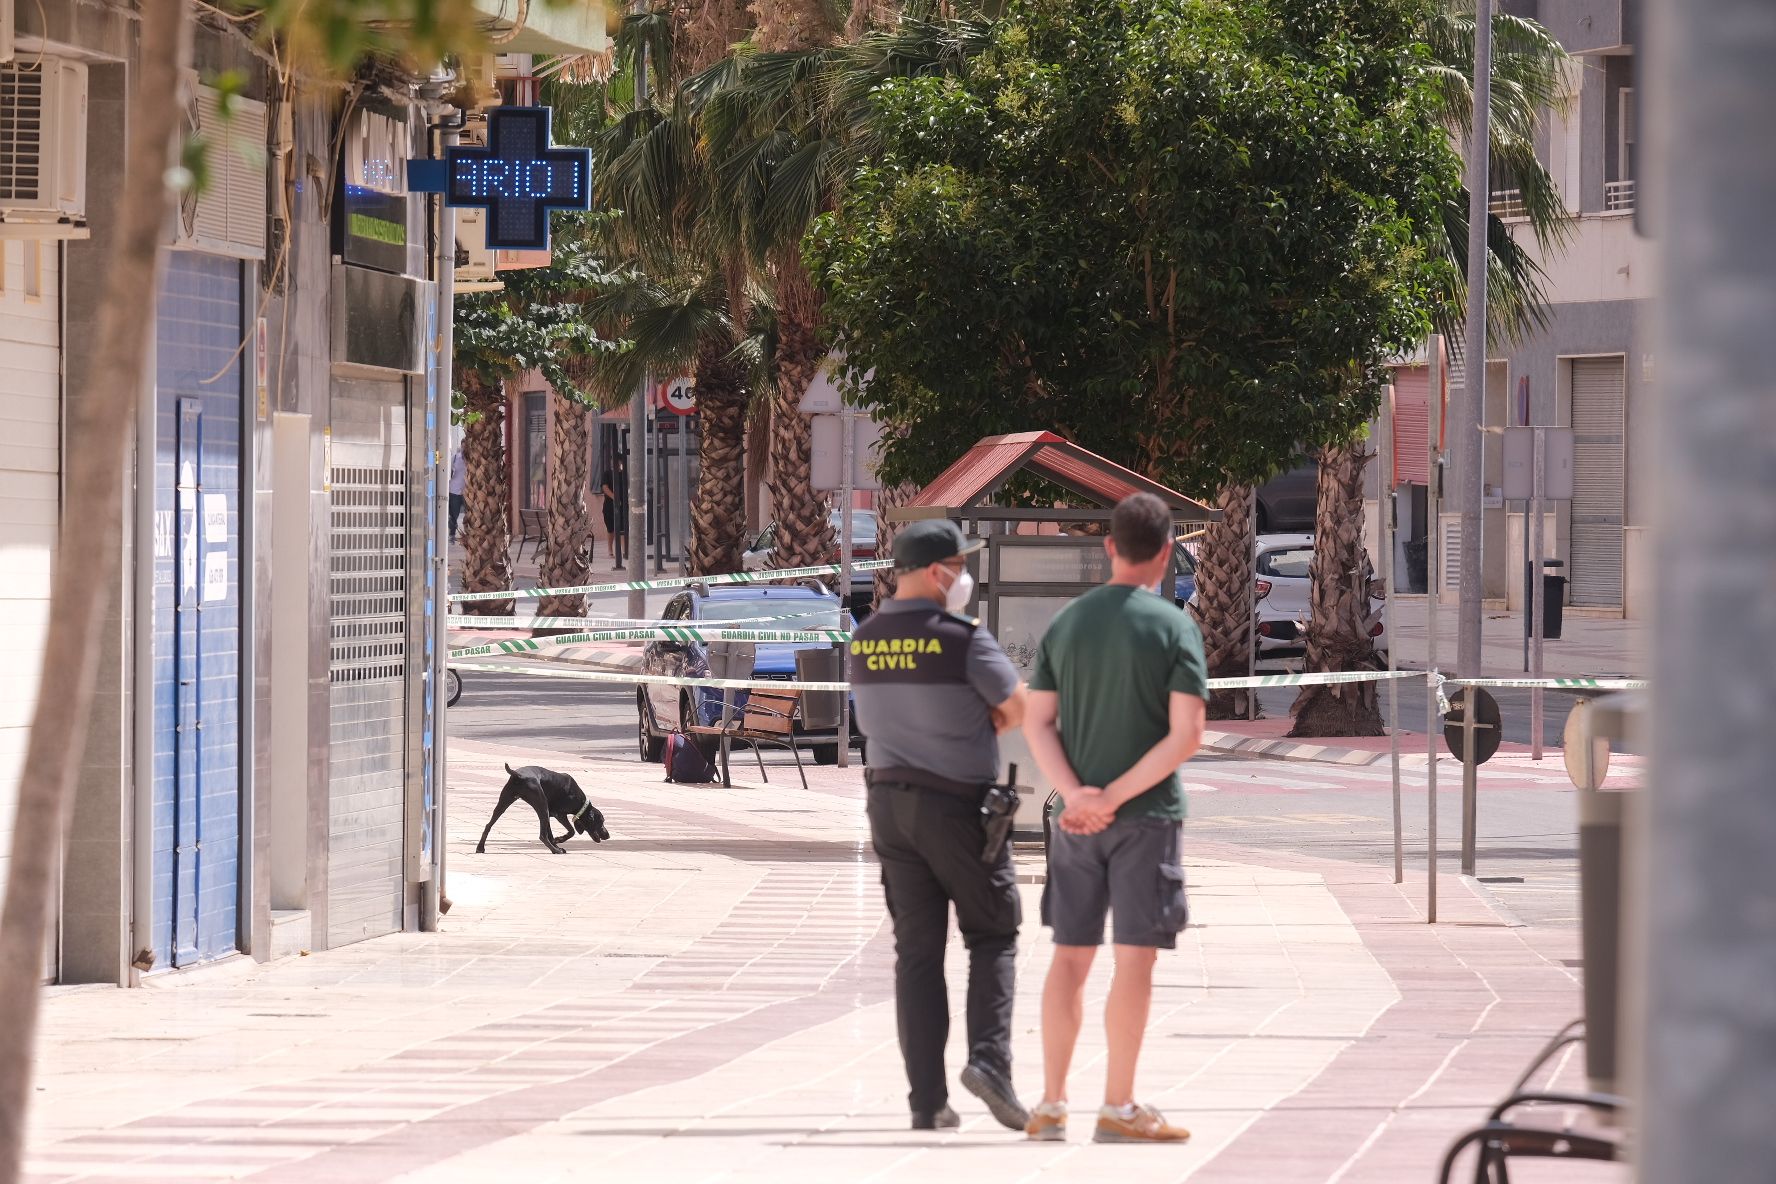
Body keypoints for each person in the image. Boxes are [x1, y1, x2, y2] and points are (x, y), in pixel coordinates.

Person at [1021, 492, 1207, 1144]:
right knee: (1135, 963)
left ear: (1109, 548)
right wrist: (1117, 798)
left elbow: (1037, 721)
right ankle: (1119, 1105)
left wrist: (1078, 796)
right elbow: (1186, 736)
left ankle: (1048, 1103)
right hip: (1148, 820)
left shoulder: (1067, 623)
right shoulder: (1174, 628)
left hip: (1073, 825)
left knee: (1068, 959)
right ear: (1165, 553)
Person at [849, 518, 1031, 1133]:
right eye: (957, 566)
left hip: (888, 808)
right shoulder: (962, 638)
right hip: (958, 808)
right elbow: (1014, 710)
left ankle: (926, 1101)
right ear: (935, 572)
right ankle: (989, 1064)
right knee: (992, 932)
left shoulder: (865, 638)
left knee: (918, 956)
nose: (963, 577)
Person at [600, 456, 628, 569]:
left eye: (619, 461)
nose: (617, 463)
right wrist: (614, 498)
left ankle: (624, 551)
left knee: (622, 528)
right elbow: (604, 488)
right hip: (609, 506)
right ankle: (610, 550)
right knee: (611, 529)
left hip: (623, 505)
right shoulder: (607, 474)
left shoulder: (624, 474)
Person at [448, 448, 466, 544]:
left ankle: (469, 535)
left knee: (470, 514)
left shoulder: (472, 460)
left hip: (468, 492)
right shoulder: (454, 458)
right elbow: (448, 472)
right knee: (454, 515)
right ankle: (452, 535)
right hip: (454, 491)